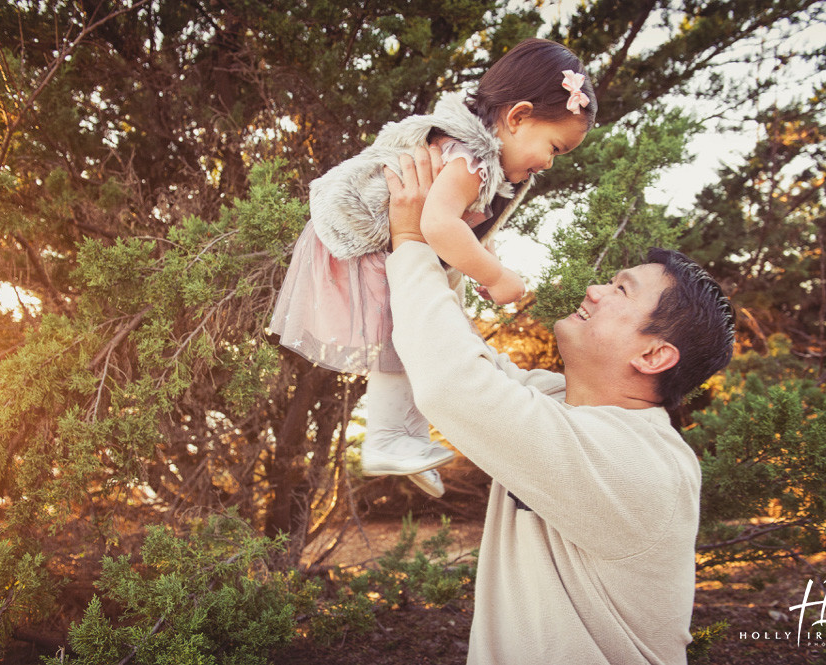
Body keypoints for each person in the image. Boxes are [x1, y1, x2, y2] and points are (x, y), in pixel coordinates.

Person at [383, 149, 735, 664]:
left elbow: (451, 384)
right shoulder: (557, 400)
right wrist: (448, 243)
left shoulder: (642, 464)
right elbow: (457, 353)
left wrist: (412, 240)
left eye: (619, 290)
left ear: (654, 354)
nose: (593, 289)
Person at [269, 38, 596, 497]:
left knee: (428, 336)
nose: (549, 163)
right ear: (518, 117)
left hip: (390, 246)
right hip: (366, 244)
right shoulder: (471, 156)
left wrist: (485, 258)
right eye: (555, 147)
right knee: (402, 333)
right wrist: (495, 276)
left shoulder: (479, 161)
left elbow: (467, 224)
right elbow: (439, 224)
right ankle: (384, 440)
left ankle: (409, 441)